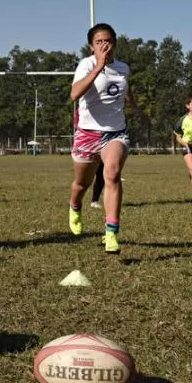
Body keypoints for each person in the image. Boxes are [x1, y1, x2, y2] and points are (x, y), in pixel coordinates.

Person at [68, 23, 140, 254]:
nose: (104, 45)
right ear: (91, 46)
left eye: (108, 41)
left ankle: (111, 234)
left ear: (115, 43)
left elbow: (125, 91)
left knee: (112, 173)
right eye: (99, 42)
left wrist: (135, 106)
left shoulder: (123, 68)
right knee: (82, 184)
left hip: (115, 131)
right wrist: (98, 66)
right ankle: (75, 206)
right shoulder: (86, 64)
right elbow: (74, 93)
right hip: (88, 133)